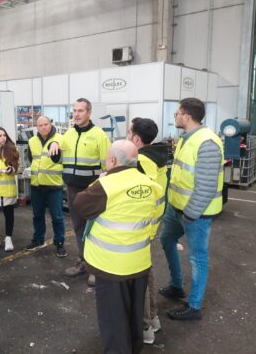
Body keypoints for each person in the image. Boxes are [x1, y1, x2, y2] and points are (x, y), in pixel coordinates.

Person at [74, 140, 162, 354]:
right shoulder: (152, 185)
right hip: (139, 262)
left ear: (112, 160)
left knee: (113, 319)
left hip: (110, 264)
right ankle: (134, 347)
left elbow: (79, 205)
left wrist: (97, 181)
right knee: (134, 312)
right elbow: (155, 220)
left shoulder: (105, 186)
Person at [159, 98, 224, 320]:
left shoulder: (207, 142)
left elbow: (206, 186)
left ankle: (194, 306)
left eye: (177, 113)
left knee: (198, 258)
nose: (175, 116)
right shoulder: (186, 138)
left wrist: (191, 213)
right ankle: (176, 286)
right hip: (176, 208)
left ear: (186, 116)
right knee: (167, 240)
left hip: (195, 214)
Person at [52, 98, 110, 285]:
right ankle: (84, 262)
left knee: (95, 229)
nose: (76, 114)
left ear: (89, 113)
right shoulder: (67, 134)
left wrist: (100, 188)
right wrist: (54, 146)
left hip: (92, 191)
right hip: (73, 189)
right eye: (74, 110)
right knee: (78, 228)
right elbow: (58, 160)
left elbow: (108, 166)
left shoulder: (99, 135)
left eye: (80, 111)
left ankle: (96, 267)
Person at [127, 117, 168, 344]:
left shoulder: (141, 161)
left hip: (143, 225)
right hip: (153, 222)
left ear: (136, 138)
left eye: (129, 132)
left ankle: (145, 326)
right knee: (147, 271)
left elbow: (139, 195)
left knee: (140, 275)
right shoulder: (157, 155)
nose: (126, 135)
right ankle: (153, 318)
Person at [25, 116, 67, 258]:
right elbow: (31, 159)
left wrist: (55, 143)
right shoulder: (31, 141)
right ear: (37, 127)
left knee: (57, 217)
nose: (43, 127)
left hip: (54, 185)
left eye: (46, 124)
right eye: (40, 125)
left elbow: (64, 158)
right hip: (37, 185)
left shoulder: (60, 139)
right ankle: (38, 239)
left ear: (50, 124)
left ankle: (59, 243)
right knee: (37, 215)